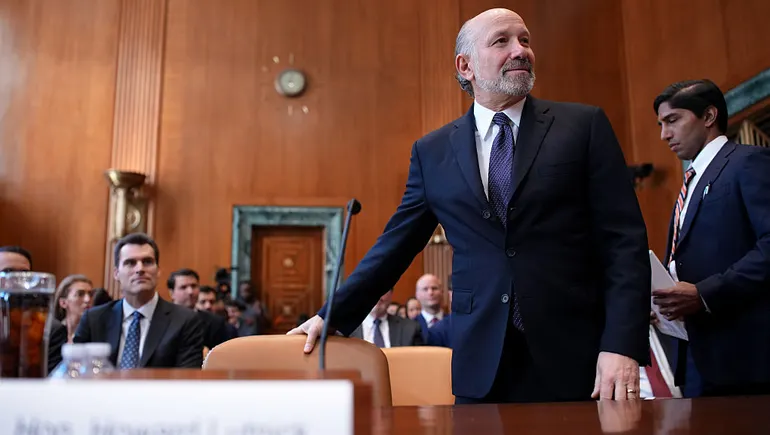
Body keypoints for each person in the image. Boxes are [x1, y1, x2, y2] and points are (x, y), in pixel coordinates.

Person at [290, 8, 650, 404]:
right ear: (466, 66)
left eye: (525, 40)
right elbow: (396, 245)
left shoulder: (583, 126)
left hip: (578, 354)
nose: (520, 50)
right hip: (481, 361)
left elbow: (624, 242)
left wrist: (622, 344)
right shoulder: (432, 151)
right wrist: (333, 314)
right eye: (502, 41)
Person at [652, 79, 770, 397]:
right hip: (696, 354)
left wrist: (704, 294)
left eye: (673, 120)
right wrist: (663, 304)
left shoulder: (748, 162)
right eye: (661, 124)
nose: (664, 134)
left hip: (744, 356)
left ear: (708, 116)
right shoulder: (690, 181)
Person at [73, 233, 204, 369]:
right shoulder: (94, 319)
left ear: (158, 271)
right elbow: (74, 371)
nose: (140, 269)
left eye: (147, 262)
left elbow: (186, 377)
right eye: (130, 263)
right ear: (116, 273)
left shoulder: (184, 320)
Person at [168, 268, 234, 350]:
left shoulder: (215, 322)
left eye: (193, 286)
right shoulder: (162, 318)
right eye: (183, 287)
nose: (190, 291)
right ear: (171, 293)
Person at [350, 290, 423, 347]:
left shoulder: (410, 328)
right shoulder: (347, 329)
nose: (376, 295)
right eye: (371, 288)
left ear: (391, 294)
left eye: (382, 288)